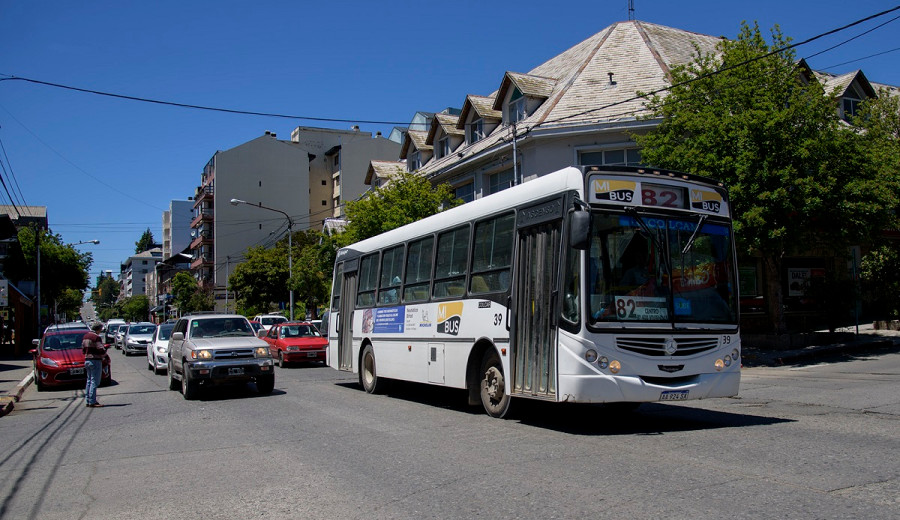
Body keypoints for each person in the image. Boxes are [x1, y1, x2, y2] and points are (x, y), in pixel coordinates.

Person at [82, 322, 107, 408]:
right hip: (95, 360)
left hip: (87, 360)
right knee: (94, 381)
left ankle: (88, 400)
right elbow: (100, 348)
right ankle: (92, 401)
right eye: (100, 329)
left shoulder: (85, 336)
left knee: (89, 381)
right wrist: (104, 355)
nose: (101, 331)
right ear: (98, 329)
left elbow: (83, 349)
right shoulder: (96, 337)